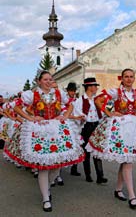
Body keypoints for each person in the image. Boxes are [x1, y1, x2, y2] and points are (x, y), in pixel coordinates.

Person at [8, 71, 85, 212]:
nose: (49, 82)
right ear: (39, 81)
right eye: (45, 79)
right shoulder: (32, 94)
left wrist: (65, 116)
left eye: (51, 79)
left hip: (57, 129)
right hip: (40, 130)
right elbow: (16, 106)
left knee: (56, 167)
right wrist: (30, 118)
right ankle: (45, 198)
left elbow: (71, 104)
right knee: (43, 166)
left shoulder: (59, 93)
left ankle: (48, 186)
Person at [86, 69, 136, 209]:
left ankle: (118, 190)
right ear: (122, 78)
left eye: (131, 77)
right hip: (121, 128)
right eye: (126, 76)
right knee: (127, 161)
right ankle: (132, 196)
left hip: (134, 128)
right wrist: (110, 112)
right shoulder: (116, 92)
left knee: (126, 159)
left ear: (134, 78)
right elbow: (98, 100)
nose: (128, 79)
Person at [73, 77, 108, 184]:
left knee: (96, 151)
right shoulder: (80, 100)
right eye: (95, 86)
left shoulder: (97, 100)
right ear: (89, 87)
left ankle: (100, 176)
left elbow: (101, 113)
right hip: (86, 126)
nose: (96, 88)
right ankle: (88, 174)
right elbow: (76, 113)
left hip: (96, 126)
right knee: (86, 152)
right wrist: (82, 117)